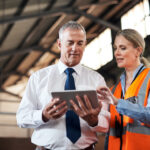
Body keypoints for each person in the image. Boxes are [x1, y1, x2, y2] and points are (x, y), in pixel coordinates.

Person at [16, 21, 110, 150]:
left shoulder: (96, 80)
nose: (75, 48)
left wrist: (94, 120)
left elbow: (106, 123)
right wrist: (43, 115)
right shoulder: (38, 78)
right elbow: (21, 118)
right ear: (59, 44)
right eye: (70, 42)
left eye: (80, 43)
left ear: (85, 45)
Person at [97, 29, 150, 150]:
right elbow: (108, 133)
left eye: (123, 48)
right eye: (116, 48)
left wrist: (117, 103)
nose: (116, 53)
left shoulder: (149, 79)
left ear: (138, 51)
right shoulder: (114, 90)